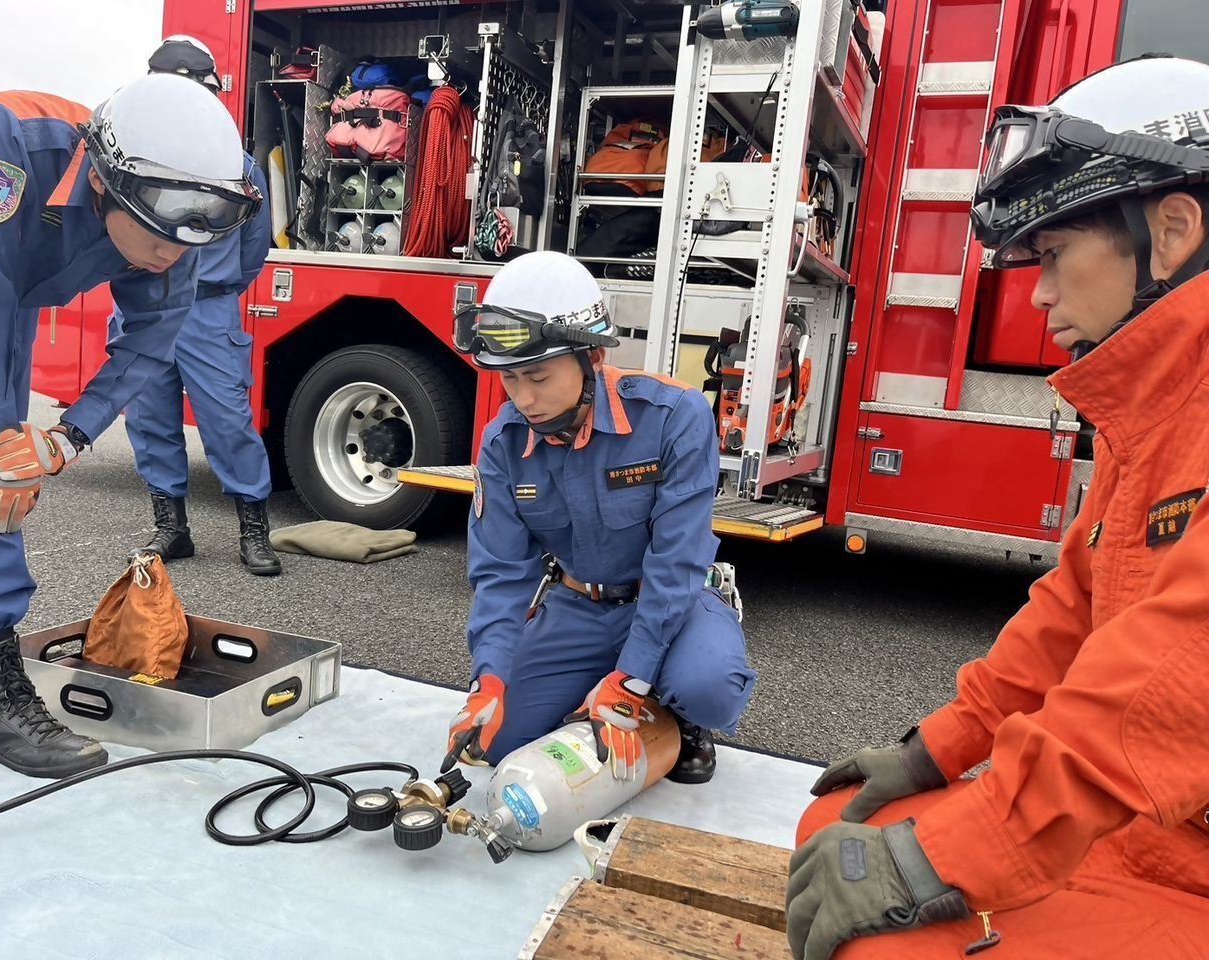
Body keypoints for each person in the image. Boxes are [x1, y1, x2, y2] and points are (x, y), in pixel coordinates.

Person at [784, 55, 1209, 960]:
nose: (1040, 293)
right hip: (1156, 821)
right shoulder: (1165, 414)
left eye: (1053, 255)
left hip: (1187, 856)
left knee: (885, 937)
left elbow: (1168, 687)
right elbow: (1071, 615)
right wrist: (940, 748)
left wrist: (950, 852)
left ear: (1171, 230)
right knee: (843, 822)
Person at [0, 73, 261, 779]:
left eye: (190, 239)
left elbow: (152, 335)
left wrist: (68, 435)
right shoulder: (6, 140)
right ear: (107, 184)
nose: (173, 254)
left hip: (4, 302)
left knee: (0, 473)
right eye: (160, 236)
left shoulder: (169, 218)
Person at [439, 250, 757, 785]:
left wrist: (631, 679)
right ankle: (597, 687)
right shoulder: (504, 442)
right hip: (576, 604)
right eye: (508, 380)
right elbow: (501, 572)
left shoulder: (675, 417)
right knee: (496, 745)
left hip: (668, 600)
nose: (523, 399)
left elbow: (676, 559)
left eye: (536, 376)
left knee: (710, 689)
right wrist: (488, 679)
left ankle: (676, 712)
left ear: (592, 357)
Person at [114, 36, 280, 577]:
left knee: (228, 421)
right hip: (144, 308)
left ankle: (253, 532)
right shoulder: (131, 156)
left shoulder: (238, 165)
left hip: (207, 309)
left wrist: (216, 285)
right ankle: (172, 528)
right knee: (149, 418)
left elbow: (255, 247)